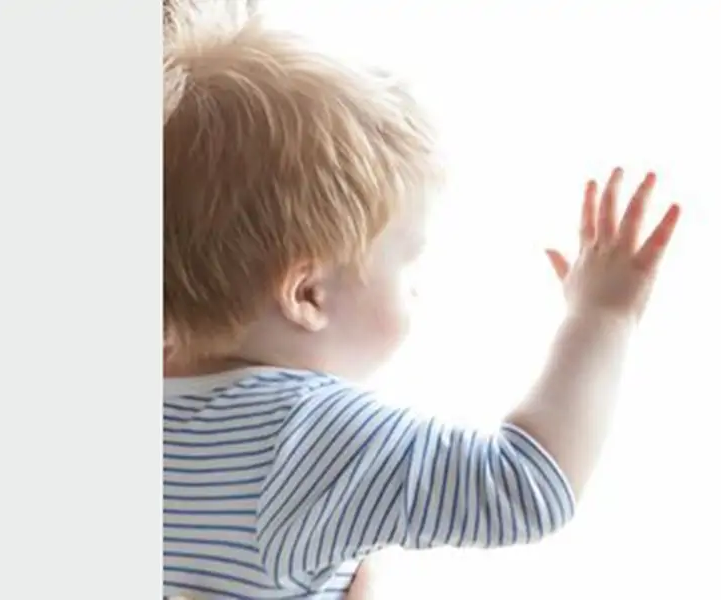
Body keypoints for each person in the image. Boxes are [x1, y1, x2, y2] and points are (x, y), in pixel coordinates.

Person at [163, 3, 681, 598]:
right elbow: (528, 485)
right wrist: (601, 316)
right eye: (405, 264)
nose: (415, 289)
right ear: (308, 294)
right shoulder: (302, 436)